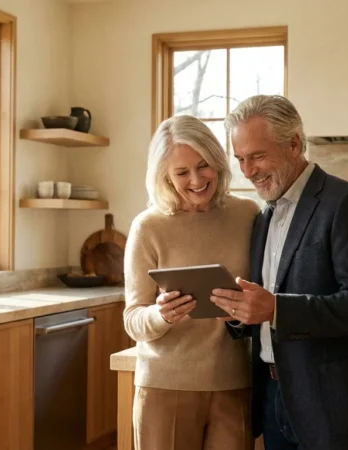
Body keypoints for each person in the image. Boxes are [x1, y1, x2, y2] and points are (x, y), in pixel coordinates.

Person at [209, 95, 348, 450]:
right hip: (273, 397)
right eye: (240, 160)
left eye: (257, 156)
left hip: (334, 406)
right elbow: (267, 301)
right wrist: (239, 314)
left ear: (294, 142)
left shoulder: (346, 203)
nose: (248, 171)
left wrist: (276, 309)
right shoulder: (264, 216)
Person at [123, 114, 261, 450]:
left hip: (233, 382)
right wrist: (160, 315)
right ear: (165, 176)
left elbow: (266, 296)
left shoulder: (248, 215)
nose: (196, 180)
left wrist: (244, 310)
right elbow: (133, 320)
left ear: (217, 161)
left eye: (203, 166)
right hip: (165, 386)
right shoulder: (148, 227)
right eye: (182, 172)